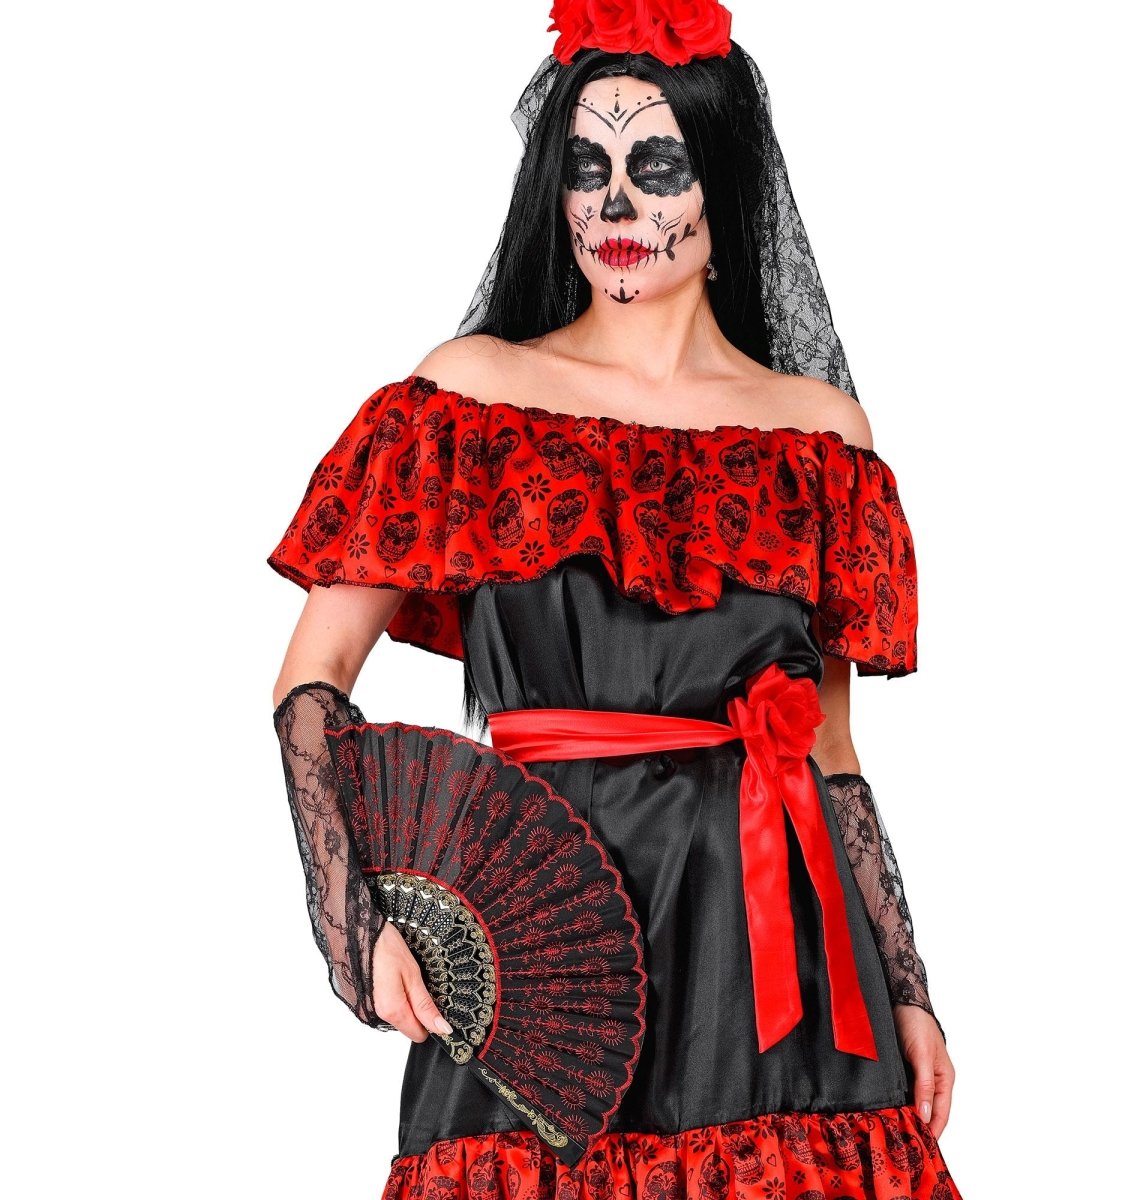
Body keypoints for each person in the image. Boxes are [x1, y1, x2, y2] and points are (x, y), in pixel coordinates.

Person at [269, 3, 963, 1197]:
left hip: (778, 960)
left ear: (726, 182)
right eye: (586, 168)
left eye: (657, 167)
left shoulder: (820, 438)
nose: (617, 207)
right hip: (548, 942)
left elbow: (831, 751)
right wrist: (359, 920)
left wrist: (906, 989)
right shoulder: (471, 399)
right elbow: (311, 682)